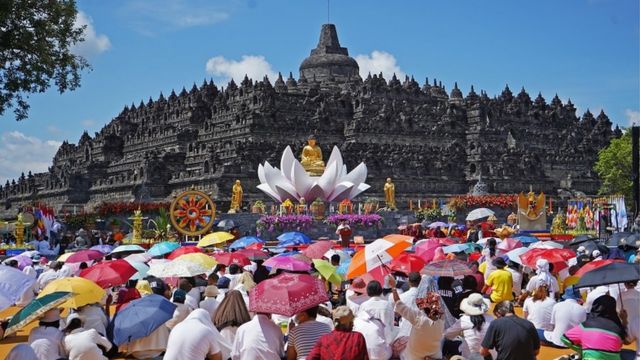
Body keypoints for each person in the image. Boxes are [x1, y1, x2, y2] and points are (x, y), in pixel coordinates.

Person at [389, 276, 445, 360]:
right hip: (435, 356)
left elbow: (398, 303)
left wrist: (393, 287)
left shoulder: (419, 319)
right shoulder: (441, 322)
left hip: (413, 357)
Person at [562, 295, 632, 359]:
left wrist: (582, 350)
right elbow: (626, 341)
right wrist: (624, 320)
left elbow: (564, 339)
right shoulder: (617, 328)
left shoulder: (585, 325)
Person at [444, 293, 496, 359]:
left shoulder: (464, 319)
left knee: (448, 343)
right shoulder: (491, 319)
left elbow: (448, 335)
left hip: (469, 356)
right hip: (490, 356)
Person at [357, 280, 396, 346]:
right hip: (386, 342)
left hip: (367, 341)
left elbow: (360, 324)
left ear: (368, 291)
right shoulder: (387, 304)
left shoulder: (363, 305)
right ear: (380, 290)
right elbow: (391, 325)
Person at [616, 281, 640, 358]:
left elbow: (618, 311)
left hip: (628, 325)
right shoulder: (638, 294)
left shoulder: (621, 296)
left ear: (625, 284)